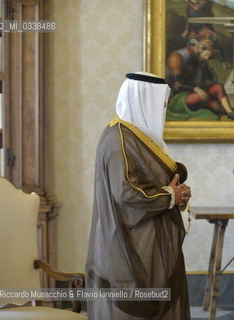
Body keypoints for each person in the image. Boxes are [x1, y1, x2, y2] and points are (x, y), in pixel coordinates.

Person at [86, 72, 192, 320]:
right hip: (131, 242)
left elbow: (151, 177)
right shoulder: (119, 140)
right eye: (161, 102)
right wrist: (170, 196)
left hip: (149, 238)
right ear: (144, 101)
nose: (164, 106)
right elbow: (126, 191)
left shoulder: (136, 137)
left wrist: (176, 192)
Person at [166, 38, 234, 121]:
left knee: (218, 87)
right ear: (199, 49)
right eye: (206, 54)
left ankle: (230, 112)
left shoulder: (201, 62)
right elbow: (177, 84)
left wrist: (207, 77)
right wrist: (195, 88)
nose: (207, 58)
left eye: (209, 56)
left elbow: (209, 79)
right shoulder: (184, 60)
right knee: (205, 99)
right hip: (181, 95)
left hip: (199, 91)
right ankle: (221, 109)